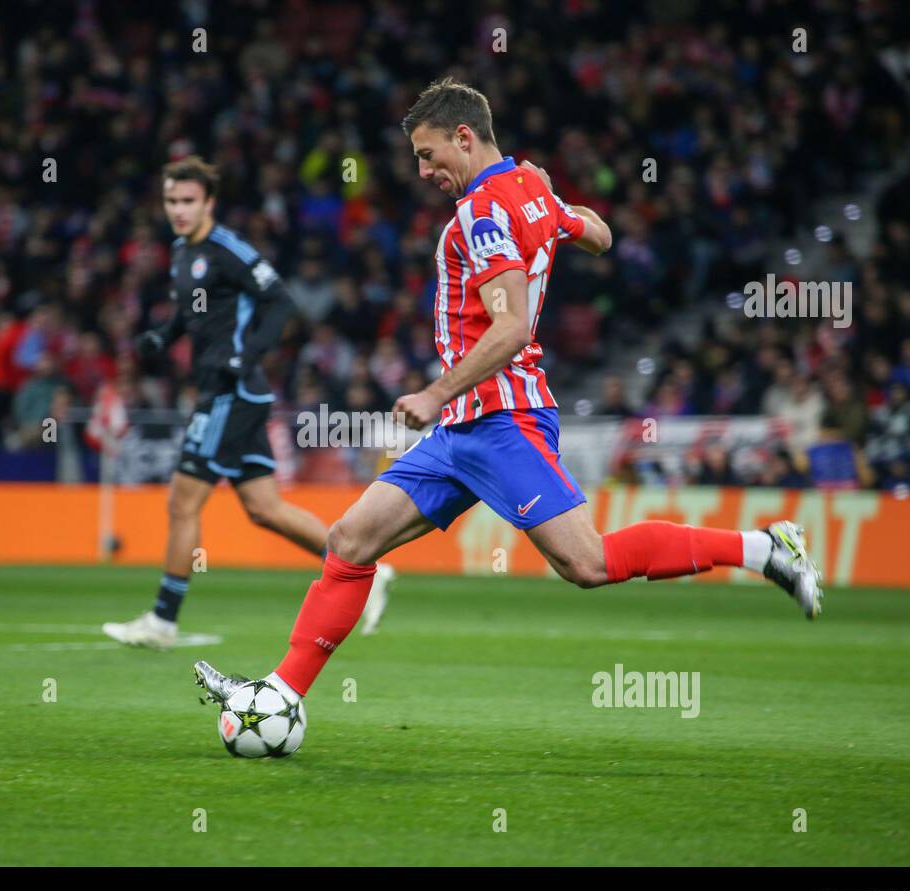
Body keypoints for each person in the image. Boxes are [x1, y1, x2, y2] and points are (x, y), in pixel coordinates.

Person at [194, 78, 821, 711]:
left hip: (501, 418)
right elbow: (601, 236)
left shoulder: (483, 211)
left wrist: (436, 392)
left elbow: (512, 324)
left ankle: (765, 548)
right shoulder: (528, 192)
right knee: (350, 542)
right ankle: (279, 695)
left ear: (463, 137)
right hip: (464, 429)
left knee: (587, 563)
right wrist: (550, 202)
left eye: (428, 153)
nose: (422, 170)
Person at [102, 157, 394, 649]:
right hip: (232, 390)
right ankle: (366, 571)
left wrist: (246, 354)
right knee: (264, 507)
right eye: (172, 200)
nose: (179, 209)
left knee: (182, 500)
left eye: (188, 200)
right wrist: (164, 334)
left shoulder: (227, 249)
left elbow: (279, 301)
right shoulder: (181, 252)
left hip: (230, 391)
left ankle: (162, 621)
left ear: (209, 202)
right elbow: (189, 309)